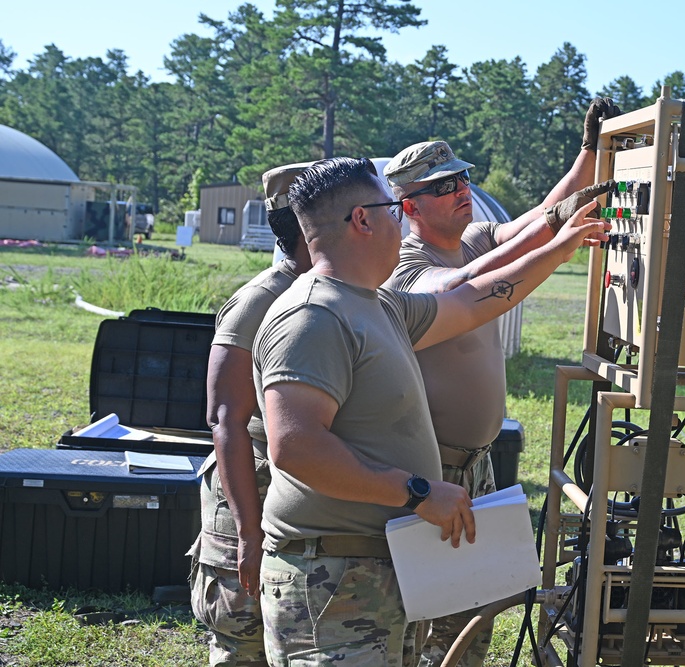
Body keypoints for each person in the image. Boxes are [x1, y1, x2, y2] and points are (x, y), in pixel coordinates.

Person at [253, 157, 608, 667]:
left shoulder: (376, 305)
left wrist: (562, 242)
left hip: (372, 566)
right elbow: (297, 445)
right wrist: (417, 491)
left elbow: (473, 300)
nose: (401, 220)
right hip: (332, 577)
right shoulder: (313, 315)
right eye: (393, 208)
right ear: (362, 220)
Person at [383, 97, 620, 667]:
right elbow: (467, 285)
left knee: (477, 606)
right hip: (432, 467)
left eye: (462, 178)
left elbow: (536, 217)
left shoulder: (471, 236)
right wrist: (553, 238)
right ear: (409, 205)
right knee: (431, 616)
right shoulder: (407, 266)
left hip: (478, 462)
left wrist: (588, 154)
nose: (461, 189)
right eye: (444, 187)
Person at [188, 161, 314, 667]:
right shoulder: (260, 301)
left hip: (292, 498)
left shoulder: (336, 290)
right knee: (244, 639)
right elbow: (225, 419)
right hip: (250, 490)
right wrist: (247, 533)